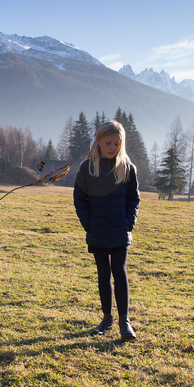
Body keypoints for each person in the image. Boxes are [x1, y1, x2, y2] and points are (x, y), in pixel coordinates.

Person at [73, 121, 140, 341]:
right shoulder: (87, 168)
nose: (112, 147)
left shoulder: (127, 169)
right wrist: (89, 223)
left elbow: (133, 199)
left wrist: (129, 222)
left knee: (119, 272)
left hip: (121, 230)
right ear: (98, 141)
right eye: (108, 142)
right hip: (97, 230)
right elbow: (79, 199)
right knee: (103, 274)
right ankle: (107, 319)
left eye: (117, 143)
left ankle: (124, 321)